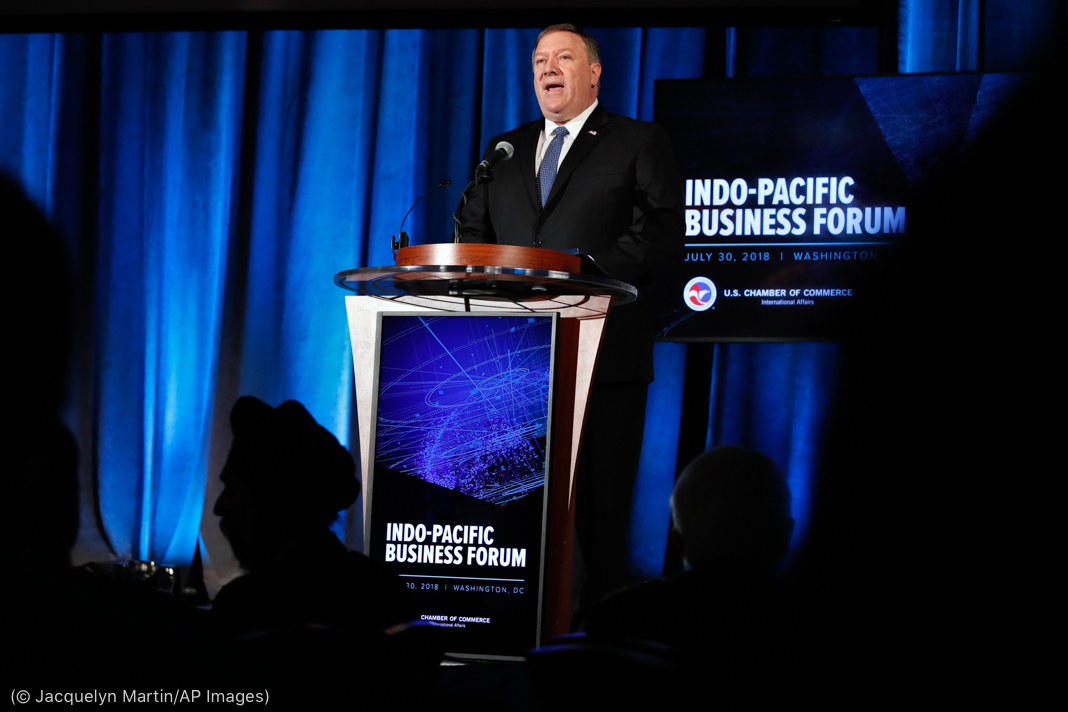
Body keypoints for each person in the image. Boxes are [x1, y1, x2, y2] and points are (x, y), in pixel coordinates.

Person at [460, 24, 684, 616]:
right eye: (538, 60)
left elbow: (662, 228)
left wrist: (588, 271)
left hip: (604, 355)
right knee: (512, 502)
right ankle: (509, 621)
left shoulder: (637, 140)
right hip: (514, 362)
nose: (547, 69)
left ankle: (599, 634)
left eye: (562, 57)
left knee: (599, 513)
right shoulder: (503, 150)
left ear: (594, 72)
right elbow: (475, 234)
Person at [212, 396, 412, 636]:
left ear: (270, 500)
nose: (219, 507)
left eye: (232, 489)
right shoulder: (384, 590)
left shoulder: (245, 606)